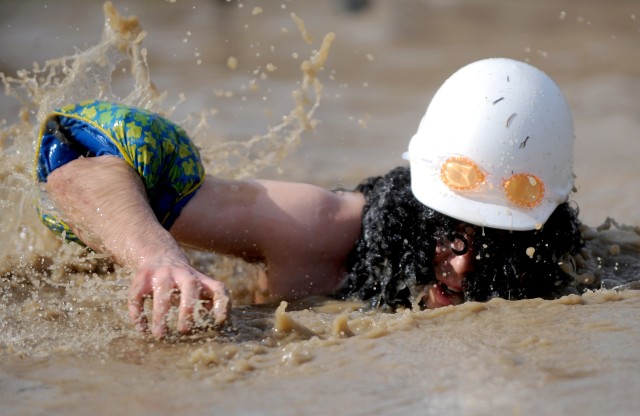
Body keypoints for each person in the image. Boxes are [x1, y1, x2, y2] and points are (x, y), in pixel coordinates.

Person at [34, 58, 584, 339]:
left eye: (495, 243)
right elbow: (76, 166)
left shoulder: (545, 273)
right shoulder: (317, 228)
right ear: (417, 209)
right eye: (451, 230)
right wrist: (156, 256)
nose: (462, 264)